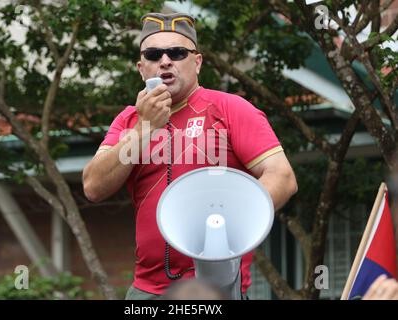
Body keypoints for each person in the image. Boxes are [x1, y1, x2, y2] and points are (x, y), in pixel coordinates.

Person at [83, 12, 298, 300]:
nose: (165, 60)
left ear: (196, 62)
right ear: (140, 67)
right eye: (154, 54)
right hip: (150, 291)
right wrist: (144, 128)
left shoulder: (230, 108)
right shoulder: (129, 120)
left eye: (177, 52)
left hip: (216, 289)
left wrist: (226, 220)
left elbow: (282, 177)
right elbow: (94, 186)